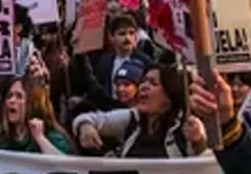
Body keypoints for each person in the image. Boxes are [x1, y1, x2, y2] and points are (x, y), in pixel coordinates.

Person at [73, 61, 201, 158]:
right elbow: (89, 118)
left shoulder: (187, 123)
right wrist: (85, 127)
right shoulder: (132, 118)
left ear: (169, 97)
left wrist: (198, 141)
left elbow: (202, 156)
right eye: (143, 81)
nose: (144, 86)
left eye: (153, 83)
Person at [0, 78, 71, 154]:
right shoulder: (1, 137)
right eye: (9, 96)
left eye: (19, 96)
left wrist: (40, 138)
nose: (11, 100)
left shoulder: (51, 135)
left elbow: (63, 163)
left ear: (33, 104)